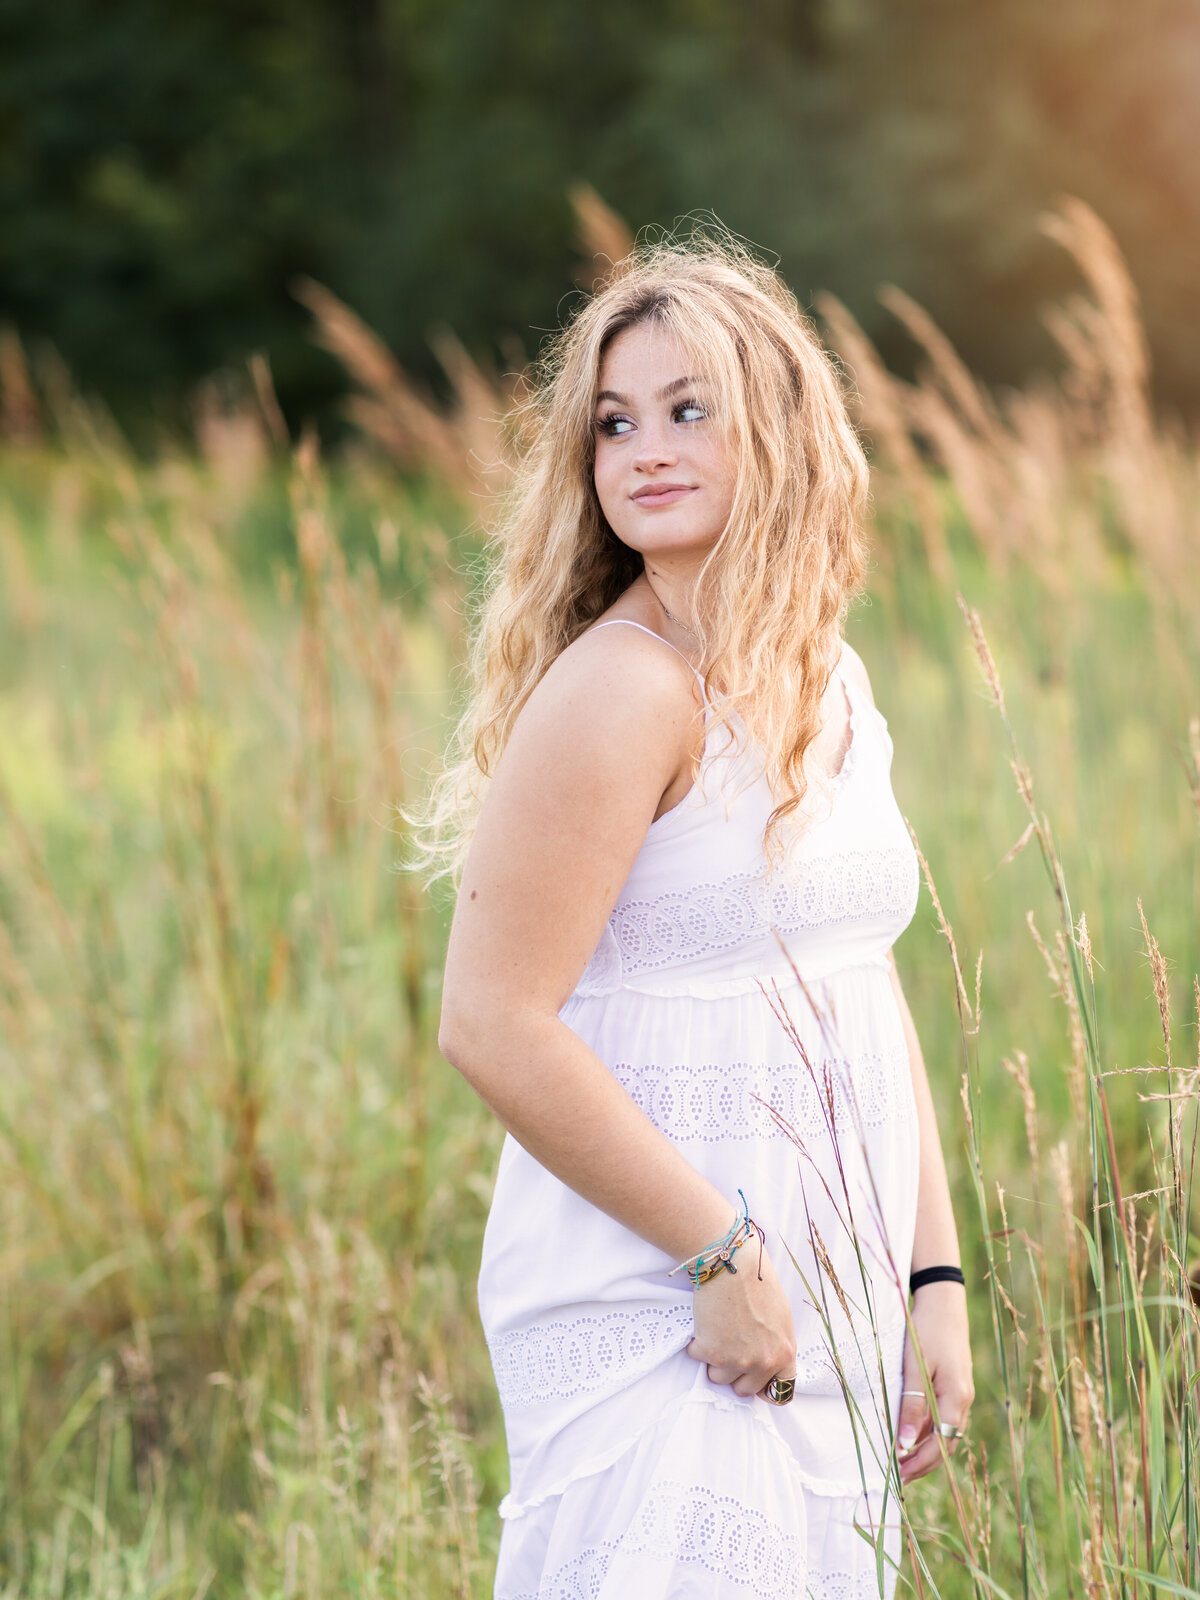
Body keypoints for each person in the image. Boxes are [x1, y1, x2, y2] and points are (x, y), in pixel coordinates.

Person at [429, 233, 973, 1599]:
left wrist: (932, 1279)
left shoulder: (828, 677)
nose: (645, 449)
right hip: (658, 1290)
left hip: (831, 1289)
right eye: (614, 422)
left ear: (781, 433)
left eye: (689, 411)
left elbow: (859, 977)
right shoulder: (622, 689)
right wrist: (717, 1254)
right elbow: (491, 1022)